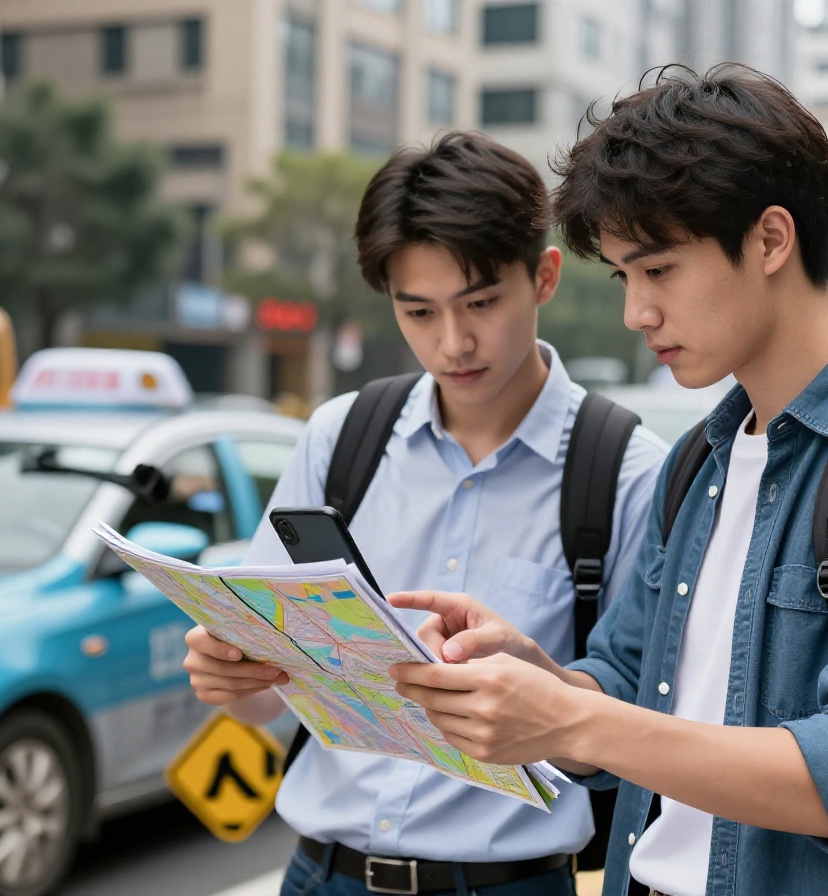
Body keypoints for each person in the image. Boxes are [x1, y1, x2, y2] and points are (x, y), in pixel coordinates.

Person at [387, 65, 828, 896]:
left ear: (770, 240)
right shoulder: (700, 460)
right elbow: (632, 689)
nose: (636, 312)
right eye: (623, 277)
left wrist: (573, 717)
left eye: (658, 270)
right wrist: (537, 679)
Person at [180, 131, 667, 896]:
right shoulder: (340, 439)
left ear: (543, 277)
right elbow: (269, 697)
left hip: (508, 883)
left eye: (481, 303)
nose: (453, 342)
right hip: (321, 875)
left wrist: (544, 690)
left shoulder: (628, 474)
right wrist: (233, 680)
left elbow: (634, 737)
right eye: (418, 311)